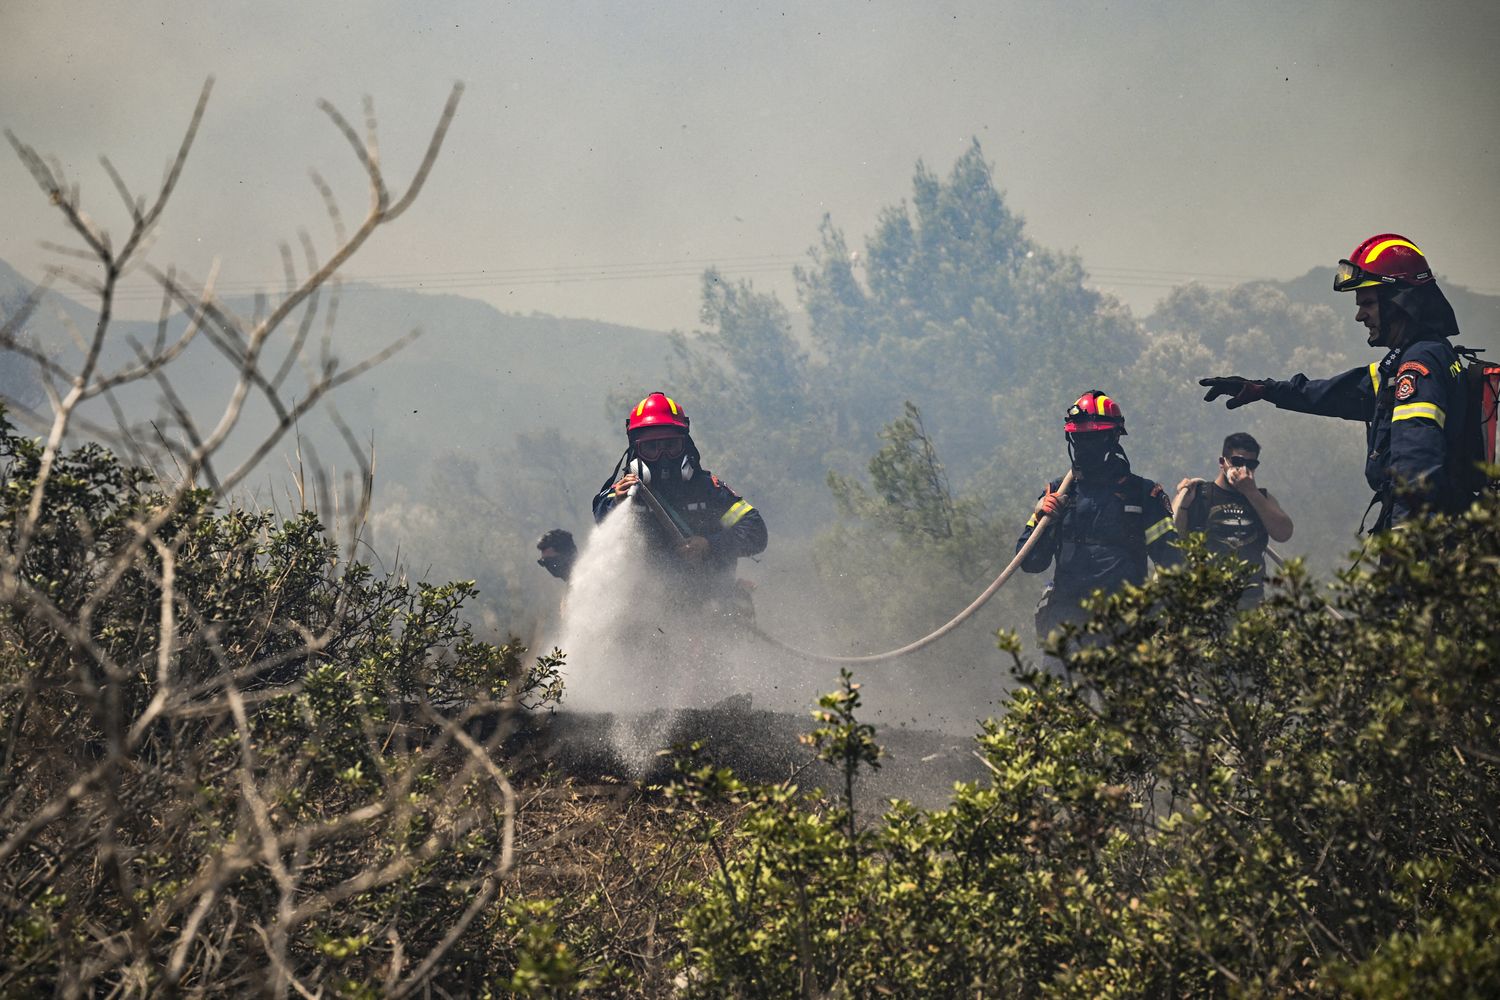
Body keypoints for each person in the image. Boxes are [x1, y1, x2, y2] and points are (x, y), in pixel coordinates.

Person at [1200, 234, 1467, 531]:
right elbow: (1334, 393)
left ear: (1398, 302)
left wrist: (1406, 535)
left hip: (1420, 532)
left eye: (1368, 303)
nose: (1360, 316)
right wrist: (1265, 389)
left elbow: (1416, 460)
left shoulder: (1417, 366)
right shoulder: (1413, 360)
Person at [1016, 391, 1180, 656]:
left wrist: (1161, 616)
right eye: (1078, 438)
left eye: (1093, 438)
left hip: (1124, 631)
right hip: (1066, 630)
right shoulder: (1057, 493)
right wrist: (1042, 519)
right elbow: (1030, 562)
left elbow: (1174, 565)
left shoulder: (1143, 496)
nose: (1084, 446)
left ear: (1114, 437)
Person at [592, 391, 766, 613]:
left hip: (712, 606)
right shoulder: (623, 493)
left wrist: (710, 545)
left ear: (685, 445)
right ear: (636, 450)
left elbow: (755, 532)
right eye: (651, 448)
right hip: (647, 611)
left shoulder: (708, 490)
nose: (663, 456)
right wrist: (618, 503)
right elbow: (602, 513)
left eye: (671, 445)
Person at [1172, 432, 1293, 604]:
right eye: (1237, 462)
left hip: (1250, 600)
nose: (1243, 469)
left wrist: (1251, 492)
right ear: (1222, 462)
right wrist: (1183, 502)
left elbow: (1284, 533)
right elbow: (1173, 539)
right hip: (1204, 601)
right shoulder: (1199, 494)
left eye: (1251, 464)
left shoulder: (1262, 498)